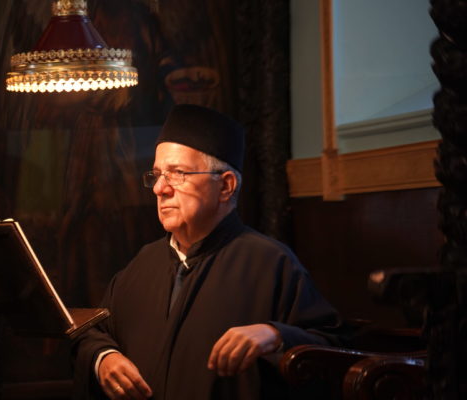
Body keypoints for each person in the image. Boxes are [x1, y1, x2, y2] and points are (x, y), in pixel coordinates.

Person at [72, 104, 344, 400]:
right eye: (157, 174)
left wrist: (275, 334)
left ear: (225, 186)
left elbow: (332, 347)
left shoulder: (270, 263)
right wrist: (104, 357)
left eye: (177, 173)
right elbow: (91, 332)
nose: (160, 189)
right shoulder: (142, 264)